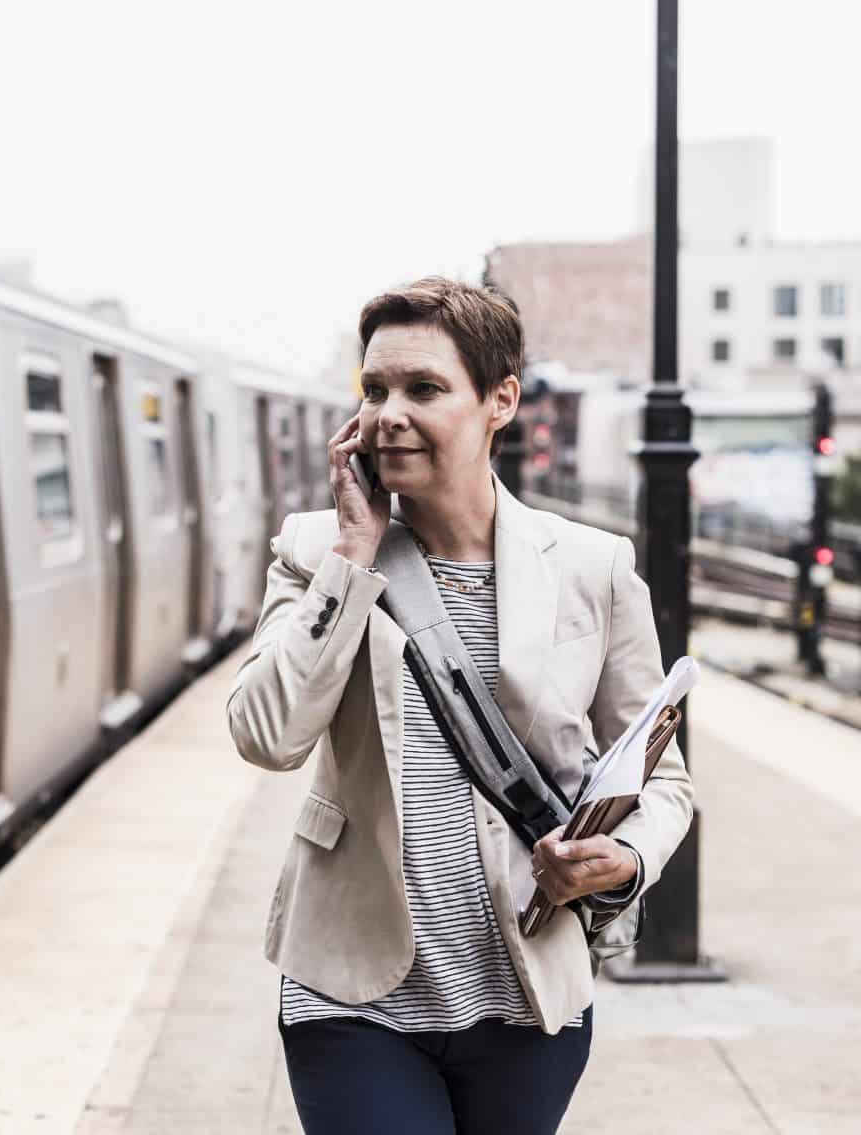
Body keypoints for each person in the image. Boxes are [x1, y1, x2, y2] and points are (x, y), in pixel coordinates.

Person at [227, 278, 694, 1135]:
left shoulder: (592, 568)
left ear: (500, 401)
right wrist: (353, 559)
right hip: (351, 990)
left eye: (424, 389)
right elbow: (266, 734)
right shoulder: (313, 551)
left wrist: (622, 860)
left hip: (524, 994)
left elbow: (665, 782)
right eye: (374, 390)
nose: (388, 414)